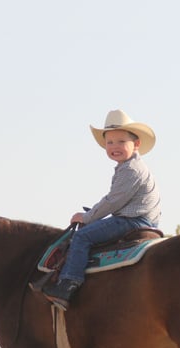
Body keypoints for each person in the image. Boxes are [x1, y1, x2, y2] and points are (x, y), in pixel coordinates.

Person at [42, 109, 160, 311]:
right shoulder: (129, 166)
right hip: (138, 218)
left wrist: (87, 217)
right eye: (110, 142)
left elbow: (112, 202)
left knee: (81, 237)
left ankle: (69, 283)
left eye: (121, 141)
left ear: (136, 144)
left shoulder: (131, 170)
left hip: (132, 221)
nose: (114, 147)